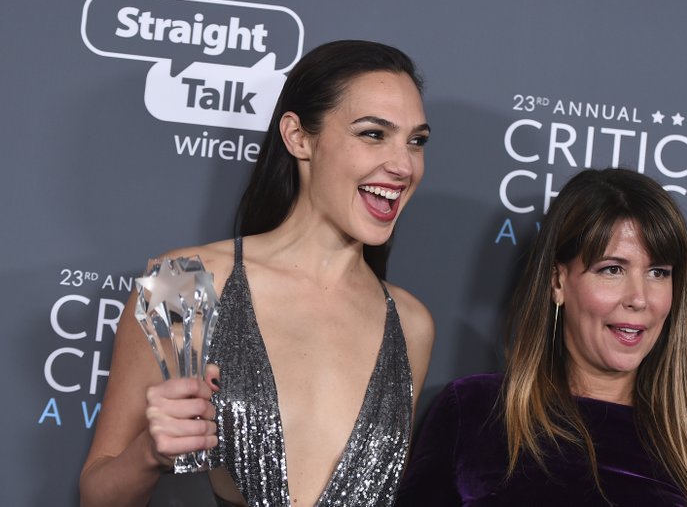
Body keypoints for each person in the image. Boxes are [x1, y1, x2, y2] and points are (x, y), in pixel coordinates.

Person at [80, 40, 435, 507]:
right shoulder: (183, 281)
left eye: (416, 141)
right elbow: (97, 495)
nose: (403, 165)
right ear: (298, 137)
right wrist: (150, 452)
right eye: (373, 134)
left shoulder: (410, 324)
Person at [397, 168, 687, 507]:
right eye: (612, 269)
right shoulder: (473, 412)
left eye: (658, 272)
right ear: (558, 281)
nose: (639, 298)